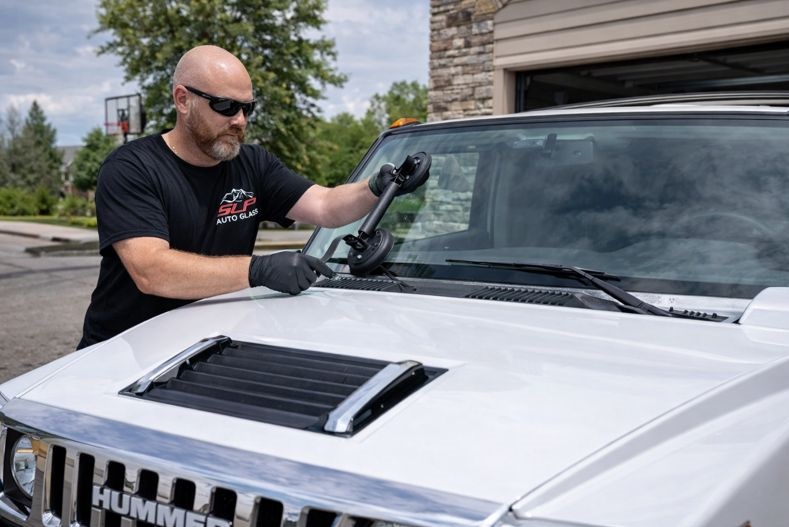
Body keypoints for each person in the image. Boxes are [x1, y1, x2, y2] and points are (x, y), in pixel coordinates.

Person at [78, 45, 423, 349]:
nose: (240, 120)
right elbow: (151, 271)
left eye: (248, 108)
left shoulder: (253, 163)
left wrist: (377, 186)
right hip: (124, 352)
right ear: (182, 100)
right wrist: (258, 269)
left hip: (208, 345)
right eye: (226, 106)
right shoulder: (132, 167)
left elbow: (325, 205)